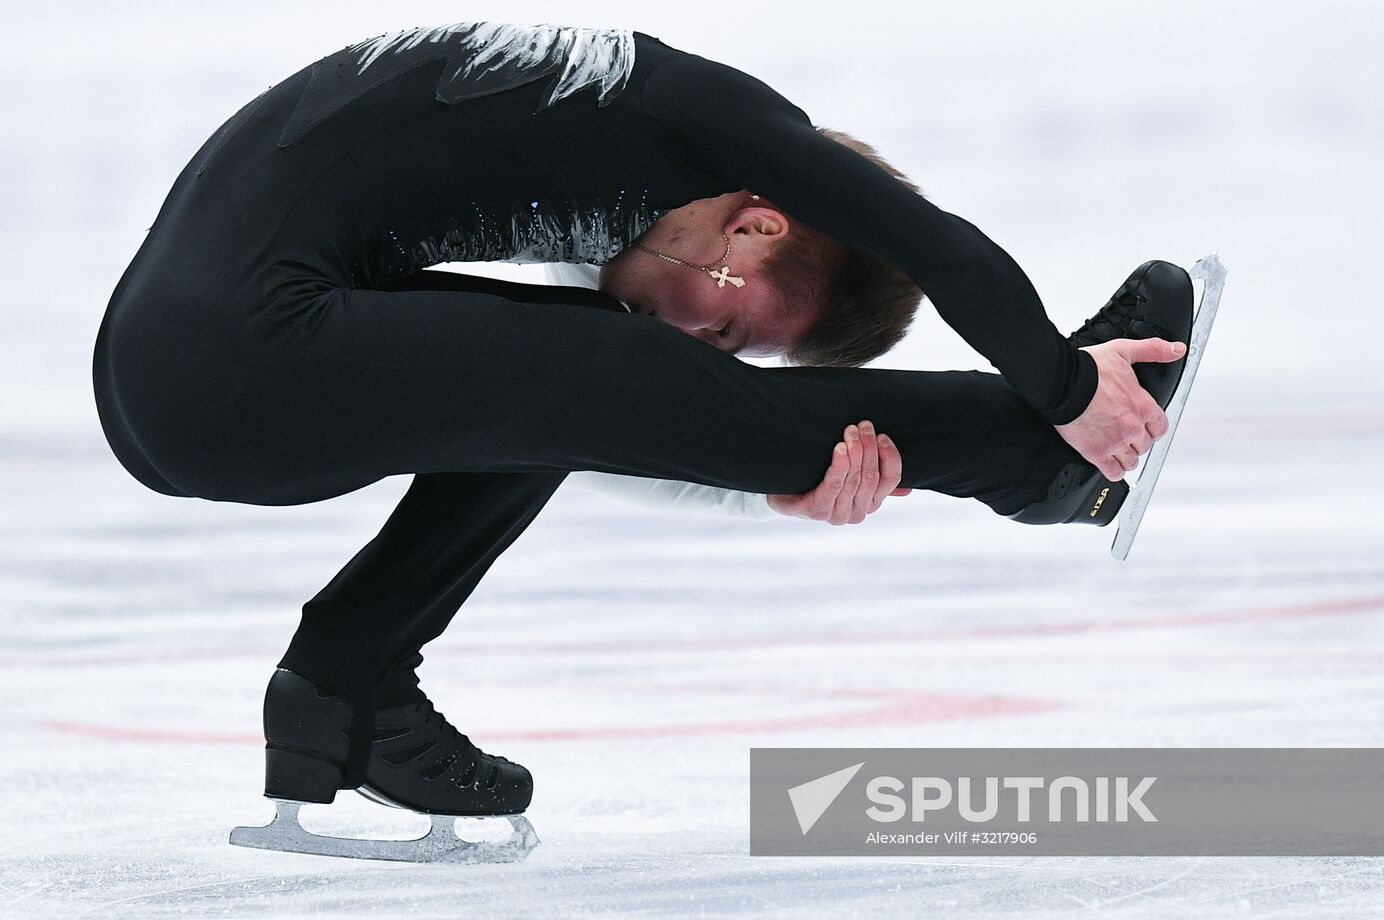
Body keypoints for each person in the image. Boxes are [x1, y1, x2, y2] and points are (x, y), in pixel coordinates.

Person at [92, 21, 1191, 858]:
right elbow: (943, 253)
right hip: (230, 361)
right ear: (756, 224)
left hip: (176, 367)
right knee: (589, 366)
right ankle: (1031, 462)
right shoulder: (710, 120)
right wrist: (1056, 388)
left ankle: (347, 687)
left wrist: (766, 483)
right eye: (729, 325)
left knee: (571, 364)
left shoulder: (606, 169)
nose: (701, 345)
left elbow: (592, 413)